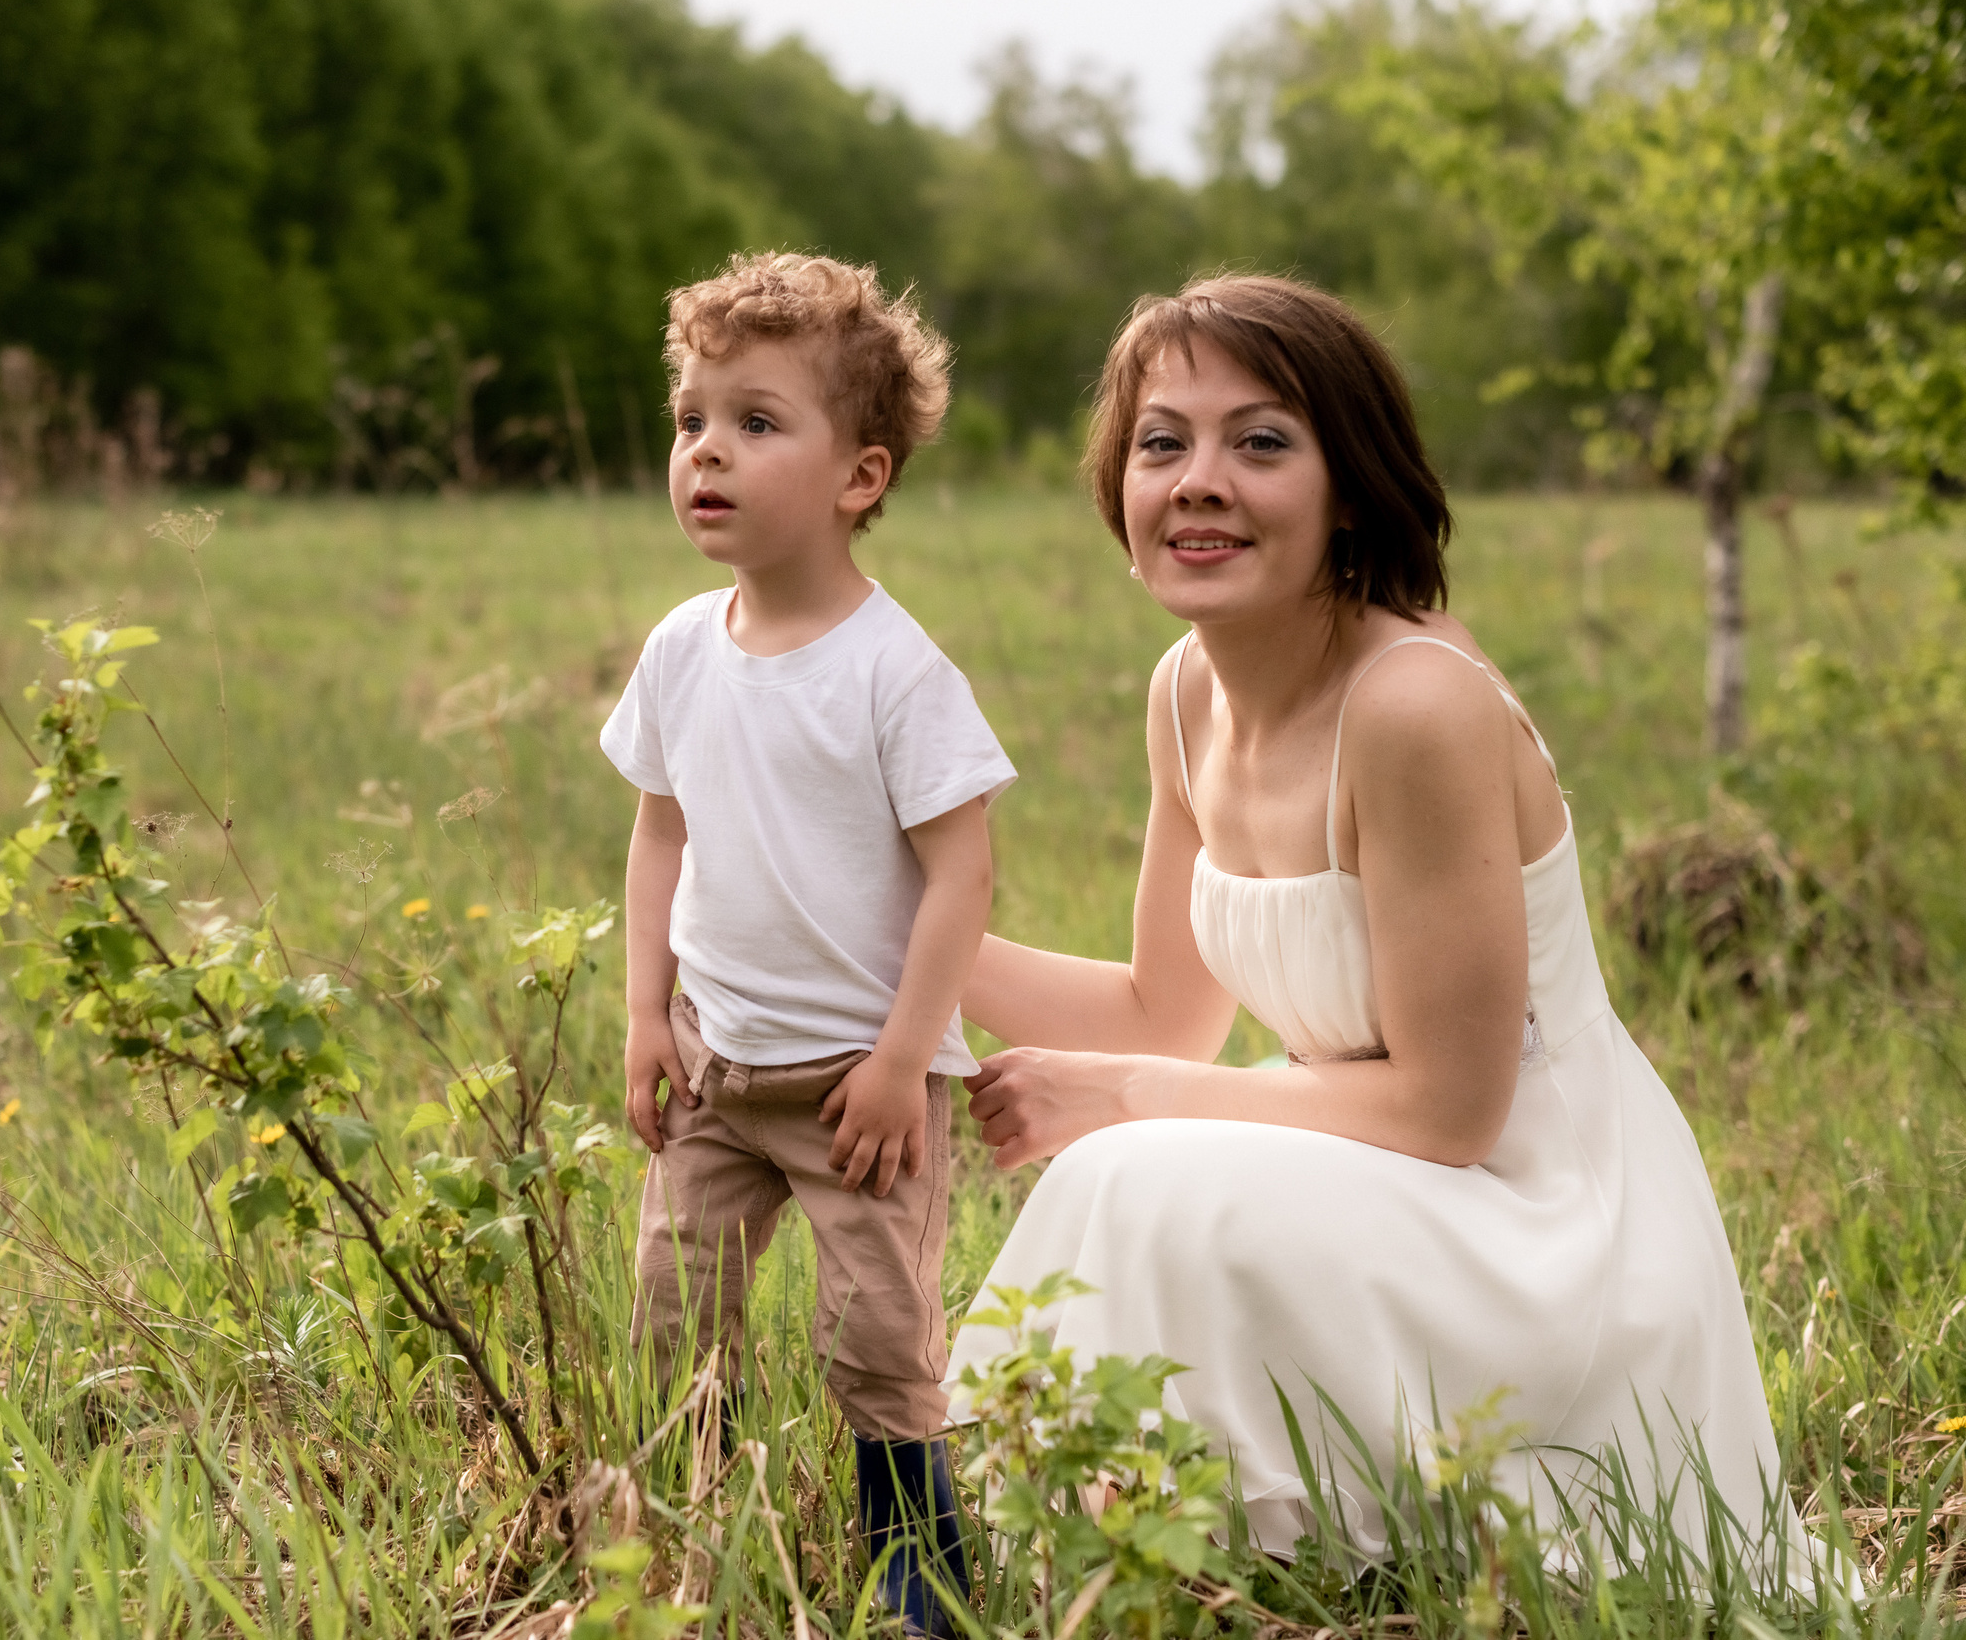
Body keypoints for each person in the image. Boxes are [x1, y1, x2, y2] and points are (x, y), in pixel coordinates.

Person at [945, 274, 1799, 1574]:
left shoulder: (1413, 709)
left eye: (1263, 441)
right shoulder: (1188, 693)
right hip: (1376, 1171)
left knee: (1130, 1168)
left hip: (1541, 1216)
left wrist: (1124, 1093)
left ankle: (1213, 1551)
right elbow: (1164, 1012)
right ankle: (1135, 1552)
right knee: (1133, 1169)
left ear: (1352, 483)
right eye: (1163, 442)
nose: (1200, 481)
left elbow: (1454, 1110)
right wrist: (904, 938)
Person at [602, 252, 1013, 1634]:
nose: (707, 451)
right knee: (673, 1300)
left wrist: (907, 1059)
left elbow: (964, 871)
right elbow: (661, 836)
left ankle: (918, 1556)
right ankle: (682, 1524)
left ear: (860, 475)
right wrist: (648, 1015)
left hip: (859, 1083)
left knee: (880, 1332)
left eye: (757, 422)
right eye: (691, 420)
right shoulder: (678, 648)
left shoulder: (895, 670)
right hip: (720, 1067)